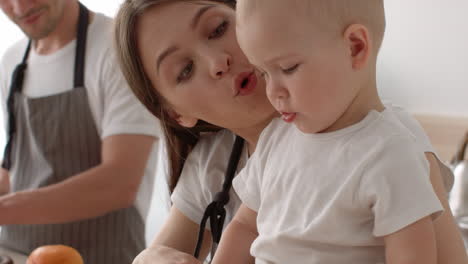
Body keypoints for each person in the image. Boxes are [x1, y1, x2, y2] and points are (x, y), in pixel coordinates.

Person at [113, 0, 468, 263]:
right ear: (177, 115)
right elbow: (167, 252)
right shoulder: (215, 161)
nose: (217, 62)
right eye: (185, 69)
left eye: (218, 29)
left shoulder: (391, 145)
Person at [210, 1, 455, 263]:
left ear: (355, 47)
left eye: (288, 68)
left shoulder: (392, 153)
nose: (273, 92)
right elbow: (245, 227)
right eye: (264, 73)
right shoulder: (275, 139)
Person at [0, 1, 162, 263]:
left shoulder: (119, 49)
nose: (20, 6)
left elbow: (119, 183)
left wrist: (4, 210)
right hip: (16, 254)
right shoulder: (13, 62)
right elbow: (15, 170)